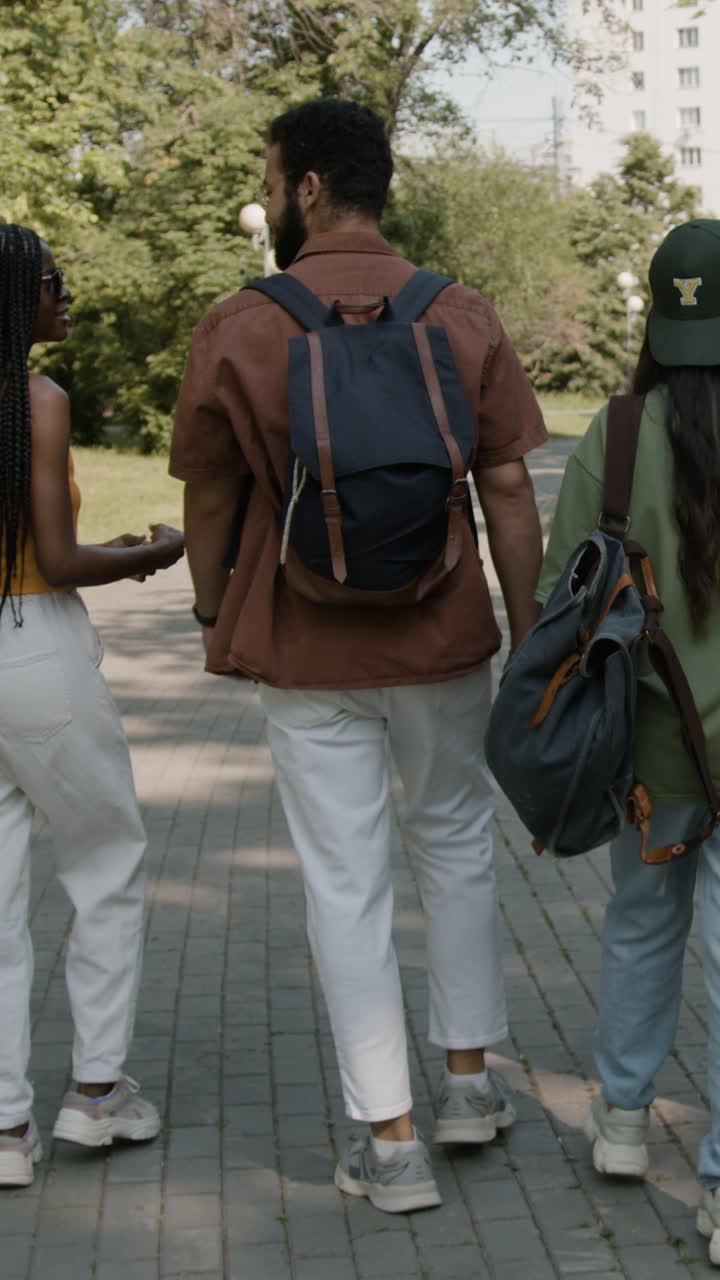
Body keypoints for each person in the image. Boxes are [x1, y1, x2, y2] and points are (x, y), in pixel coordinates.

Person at [170, 98, 547, 1213]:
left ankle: (388, 1142)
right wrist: (529, 640)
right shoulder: (459, 311)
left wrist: (207, 612)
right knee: (458, 846)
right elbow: (514, 485)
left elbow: (209, 493)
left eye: (273, 174)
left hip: (303, 644)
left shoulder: (242, 322)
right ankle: (471, 1085)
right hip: (444, 638)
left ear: (311, 189)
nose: (273, 190)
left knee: (346, 882)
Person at [536, 218, 720, 1267]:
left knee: (643, 926)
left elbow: (559, 595)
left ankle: (617, 1120)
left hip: (652, 752)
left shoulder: (612, 431)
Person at [0, 224, 185, 1189]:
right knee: (104, 861)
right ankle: (97, 1091)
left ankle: (4, 1128)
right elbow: (62, 562)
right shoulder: (36, 399)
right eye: (51, 282)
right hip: (37, 647)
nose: (65, 295)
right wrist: (156, 551)